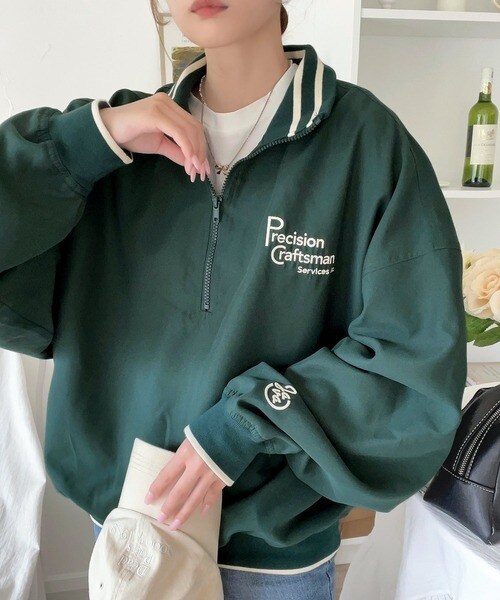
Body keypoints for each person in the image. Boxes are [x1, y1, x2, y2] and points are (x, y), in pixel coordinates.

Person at [0, 0, 467, 598]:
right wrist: (88, 140)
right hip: (126, 543)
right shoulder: (115, 145)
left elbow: (414, 362)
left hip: (271, 565)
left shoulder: (368, 146)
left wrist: (248, 422)